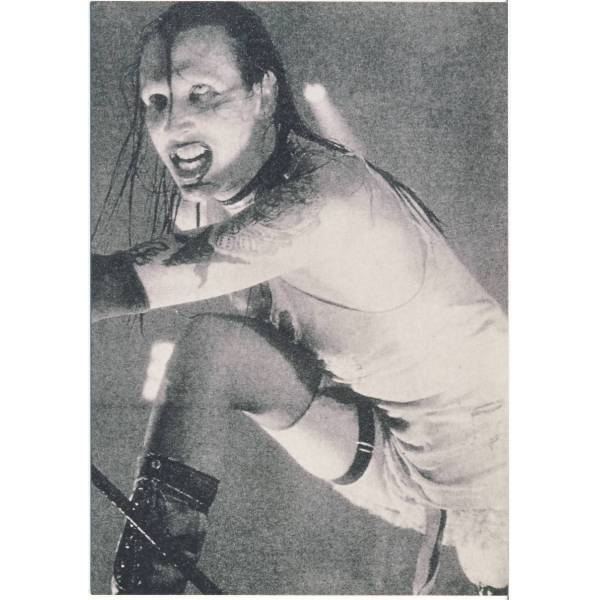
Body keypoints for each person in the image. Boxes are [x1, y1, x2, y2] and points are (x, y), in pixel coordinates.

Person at [92, 2, 508, 595]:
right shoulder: (217, 201)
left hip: (502, 472)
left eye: (201, 94)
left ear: (264, 94)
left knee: (492, 561)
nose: (174, 123)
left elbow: (108, 286)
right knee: (214, 349)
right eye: (157, 102)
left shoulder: (325, 198)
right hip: (392, 457)